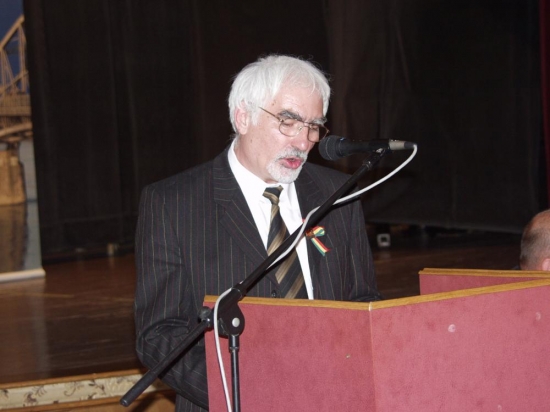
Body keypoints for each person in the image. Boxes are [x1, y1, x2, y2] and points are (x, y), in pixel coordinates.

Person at [134, 54, 382, 411]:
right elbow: (159, 335)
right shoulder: (173, 204)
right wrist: (251, 395)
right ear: (243, 117)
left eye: (314, 126)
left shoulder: (338, 194)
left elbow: (362, 303)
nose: (303, 142)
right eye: (288, 122)